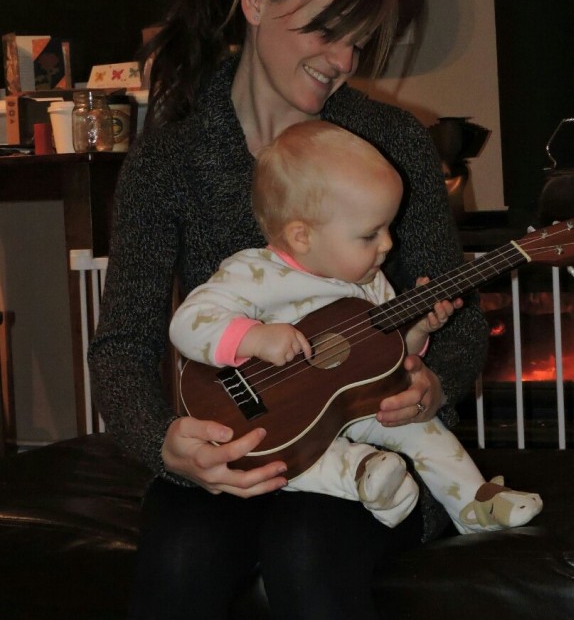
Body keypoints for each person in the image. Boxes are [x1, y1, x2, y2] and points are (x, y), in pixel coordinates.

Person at [88, 0, 491, 620]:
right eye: (323, 28)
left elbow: (459, 315)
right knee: (178, 564)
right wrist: (164, 445)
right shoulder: (172, 156)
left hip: (363, 453)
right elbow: (121, 342)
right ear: (255, 1)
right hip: (233, 446)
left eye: (357, 39)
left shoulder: (387, 142)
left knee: (310, 558)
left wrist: (434, 380)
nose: (342, 57)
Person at [170, 120, 543, 534]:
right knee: (292, 463)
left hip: (355, 403)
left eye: (387, 228)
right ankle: (363, 476)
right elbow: (187, 323)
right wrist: (253, 338)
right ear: (302, 236)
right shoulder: (254, 272)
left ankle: (474, 503)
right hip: (267, 416)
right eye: (370, 234)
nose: (388, 245)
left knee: (422, 427)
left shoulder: (369, 281)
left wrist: (418, 331)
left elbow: (387, 356)